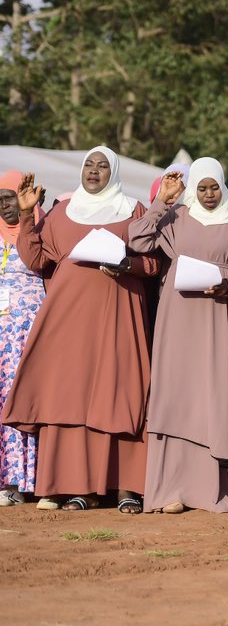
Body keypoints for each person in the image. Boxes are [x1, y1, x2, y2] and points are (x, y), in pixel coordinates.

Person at [1, 146, 159, 513]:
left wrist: (127, 264)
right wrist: (27, 215)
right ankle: (75, 488)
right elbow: (36, 258)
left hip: (118, 315)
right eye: (89, 163)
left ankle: (126, 488)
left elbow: (152, 262)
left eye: (103, 165)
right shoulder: (62, 213)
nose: (94, 170)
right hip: (68, 321)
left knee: (119, 393)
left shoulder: (132, 210)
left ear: (113, 172)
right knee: (69, 398)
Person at [127, 157, 228, 513]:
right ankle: (172, 488)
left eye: (214, 187)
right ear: (192, 188)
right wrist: (162, 200)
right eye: (202, 188)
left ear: (222, 187)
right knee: (179, 392)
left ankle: (211, 487)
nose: (209, 194)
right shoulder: (177, 216)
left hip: (219, 313)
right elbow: (137, 240)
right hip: (179, 314)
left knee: (213, 392)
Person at [0, 171, 44, 507]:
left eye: (10, 197)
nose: (4, 205)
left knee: (25, 401)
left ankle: (28, 480)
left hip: (29, 332)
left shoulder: (39, 229)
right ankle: (6, 481)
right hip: (1, 336)